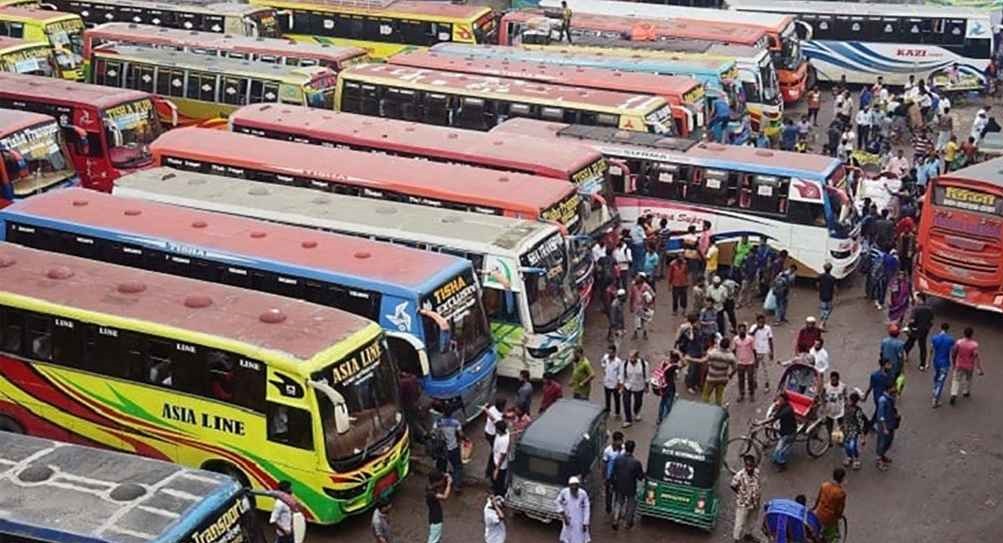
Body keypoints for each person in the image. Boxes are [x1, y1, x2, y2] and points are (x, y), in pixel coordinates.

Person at [611, 440, 644, 530]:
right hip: (630, 487)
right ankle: (627, 523)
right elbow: (640, 477)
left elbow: (613, 473)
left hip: (619, 485)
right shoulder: (636, 463)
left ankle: (615, 520)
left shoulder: (617, 459)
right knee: (630, 504)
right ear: (633, 449)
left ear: (625, 448)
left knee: (618, 502)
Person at [730, 454, 762, 543]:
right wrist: (741, 494)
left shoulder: (757, 472)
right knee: (739, 523)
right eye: (747, 465)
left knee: (752, 520)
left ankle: (748, 535)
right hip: (743, 503)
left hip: (755, 502)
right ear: (745, 465)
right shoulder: (739, 475)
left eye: (751, 465)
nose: (749, 468)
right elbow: (732, 485)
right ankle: (736, 539)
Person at [761, 393, 797, 471]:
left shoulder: (787, 410)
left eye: (780, 399)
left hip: (789, 433)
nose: (778, 401)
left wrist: (760, 422)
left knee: (779, 452)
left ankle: (783, 465)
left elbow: (774, 417)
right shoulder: (782, 406)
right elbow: (775, 415)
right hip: (783, 431)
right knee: (777, 452)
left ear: (784, 400)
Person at [949, 326, 984, 405]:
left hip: (959, 364)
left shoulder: (959, 342)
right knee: (968, 379)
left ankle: (953, 394)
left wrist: (954, 362)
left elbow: (954, 353)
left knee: (956, 380)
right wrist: (979, 368)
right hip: (969, 365)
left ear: (964, 333)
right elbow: (976, 356)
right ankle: (966, 391)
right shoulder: (974, 345)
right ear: (972, 334)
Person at [433, 409, 465, 493]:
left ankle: (440, 483)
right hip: (453, 448)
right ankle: (457, 486)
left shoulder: (438, 422)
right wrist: (464, 439)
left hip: (442, 449)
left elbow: (434, 433)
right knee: (457, 466)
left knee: (441, 466)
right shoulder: (455, 422)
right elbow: (461, 435)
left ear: (443, 413)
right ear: (451, 413)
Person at [813, 468, 847, 543]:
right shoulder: (840, 493)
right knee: (832, 536)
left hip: (820, 513)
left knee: (819, 531)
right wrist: (839, 516)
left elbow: (818, 499)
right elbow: (839, 509)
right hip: (830, 518)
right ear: (842, 479)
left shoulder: (824, 485)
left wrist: (814, 508)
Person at [678, 312, 709, 395]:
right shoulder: (688, 329)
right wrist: (691, 328)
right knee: (691, 370)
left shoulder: (698, 329)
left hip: (698, 351)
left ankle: (695, 383)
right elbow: (691, 338)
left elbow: (701, 339)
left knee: (697, 369)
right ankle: (689, 385)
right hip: (692, 351)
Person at [903, 293, 934, 371]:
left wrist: (908, 326)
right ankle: (922, 364)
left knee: (910, 342)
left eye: (917, 298)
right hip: (924, 330)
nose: (915, 300)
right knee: (922, 347)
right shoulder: (929, 309)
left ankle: (905, 354)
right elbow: (931, 320)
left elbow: (912, 320)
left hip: (915, 329)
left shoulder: (916, 309)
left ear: (920, 299)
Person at [703, 337, 738, 406]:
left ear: (720, 344)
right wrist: (730, 375)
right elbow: (735, 368)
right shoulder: (731, 356)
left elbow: (705, 361)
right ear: (728, 345)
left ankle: (705, 409)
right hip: (722, 379)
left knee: (706, 395)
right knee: (719, 397)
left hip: (711, 378)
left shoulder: (712, 353)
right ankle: (717, 412)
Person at [556, 476, 591, 543]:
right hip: (568, 519)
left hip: (580, 520)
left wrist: (585, 522)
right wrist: (563, 514)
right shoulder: (564, 492)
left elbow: (587, 508)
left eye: (576, 485)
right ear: (569, 486)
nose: (574, 487)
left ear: (578, 486)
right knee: (566, 537)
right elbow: (558, 501)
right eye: (572, 485)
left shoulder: (583, 494)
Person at [841, 391, 868, 470]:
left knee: (852, 446)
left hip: (854, 430)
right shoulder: (845, 406)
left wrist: (862, 437)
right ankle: (849, 457)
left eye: (850, 400)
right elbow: (844, 417)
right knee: (846, 445)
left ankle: (856, 459)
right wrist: (842, 425)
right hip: (846, 429)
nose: (849, 401)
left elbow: (861, 423)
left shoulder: (858, 410)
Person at [930, 323, 955, 408]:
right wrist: (954, 362)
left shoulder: (934, 338)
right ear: (948, 329)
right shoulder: (950, 340)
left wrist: (927, 362)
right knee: (941, 380)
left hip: (936, 361)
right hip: (945, 362)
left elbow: (931, 350)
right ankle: (935, 398)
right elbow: (953, 352)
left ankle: (934, 389)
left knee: (937, 376)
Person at [620, 351, 648, 428]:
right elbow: (622, 375)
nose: (631, 359)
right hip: (628, 385)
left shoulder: (643, 364)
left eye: (632, 357)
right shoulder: (625, 363)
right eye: (630, 357)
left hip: (639, 386)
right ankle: (628, 420)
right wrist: (621, 386)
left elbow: (646, 376)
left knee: (638, 401)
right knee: (626, 402)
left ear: (637, 357)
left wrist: (646, 386)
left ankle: (636, 412)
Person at [875, 386, 899, 471]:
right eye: (893, 388)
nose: (895, 390)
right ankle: (879, 460)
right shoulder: (883, 400)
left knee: (889, 441)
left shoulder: (891, 398)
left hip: (891, 423)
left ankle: (882, 455)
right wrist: (885, 428)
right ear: (888, 389)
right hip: (884, 425)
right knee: (882, 442)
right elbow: (881, 416)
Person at [654, 352, 682, 423]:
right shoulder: (674, 366)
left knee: (662, 402)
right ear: (676, 359)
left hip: (662, 386)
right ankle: (666, 419)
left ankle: (659, 418)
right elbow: (683, 364)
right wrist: (680, 356)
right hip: (670, 387)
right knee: (668, 403)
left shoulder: (664, 363)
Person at [601, 432, 625, 516]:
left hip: (620, 477)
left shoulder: (624, 450)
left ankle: (617, 509)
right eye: (620, 441)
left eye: (622, 440)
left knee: (619, 494)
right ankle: (608, 508)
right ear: (615, 441)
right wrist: (604, 477)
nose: (621, 442)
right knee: (609, 494)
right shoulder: (607, 451)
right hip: (610, 476)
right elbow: (604, 464)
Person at [399, 370, 425, 444]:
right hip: (415, 403)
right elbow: (418, 391)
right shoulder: (413, 378)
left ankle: (420, 436)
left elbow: (400, 396)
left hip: (407, 406)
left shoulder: (401, 384)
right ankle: (422, 435)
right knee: (416, 419)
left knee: (410, 423)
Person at [733, 323, 757, 402]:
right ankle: (741, 394)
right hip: (740, 362)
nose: (742, 332)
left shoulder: (750, 339)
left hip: (750, 362)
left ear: (745, 331)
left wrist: (755, 360)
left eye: (743, 330)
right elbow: (734, 350)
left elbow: (754, 350)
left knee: (750, 379)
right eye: (740, 330)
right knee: (741, 379)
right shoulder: (735, 339)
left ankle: (751, 394)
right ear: (738, 331)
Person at [483, 398, 506, 479]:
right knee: (494, 453)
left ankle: (488, 471)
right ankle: (489, 471)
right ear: (502, 406)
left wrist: (485, 409)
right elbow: (495, 418)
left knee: (493, 451)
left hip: (487, 431)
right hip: (492, 435)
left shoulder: (492, 408)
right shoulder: (498, 419)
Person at [751, 314, 775, 392]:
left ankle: (767, 384)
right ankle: (754, 382)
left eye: (763, 322)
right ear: (757, 322)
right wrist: (756, 329)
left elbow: (770, 340)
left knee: (766, 369)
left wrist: (772, 352)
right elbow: (749, 336)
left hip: (765, 351)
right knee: (755, 368)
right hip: (755, 351)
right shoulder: (753, 327)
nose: (761, 323)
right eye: (760, 322)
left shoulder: (768, 328)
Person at [629, 274, 655, 340]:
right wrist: (631, 306)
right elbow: (631, 297)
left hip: (644, 307)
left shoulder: (646, 286)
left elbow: (653, 295)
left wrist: (650, 302)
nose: (638, 285)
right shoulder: (633, 286)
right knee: (636, 320)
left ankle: (645, 333)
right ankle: (635, 333)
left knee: (645, 320)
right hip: (637, 306)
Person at [822, 371, 847, 439]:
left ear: (838, 379)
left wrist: (846, 406)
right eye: (832, 380)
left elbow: (845, 396)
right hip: (829, 410)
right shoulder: (826, 386)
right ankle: (830, 439)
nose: (833, 381)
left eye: (835, 380)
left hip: (840, 409)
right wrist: (823, 406)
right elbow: (823, 397)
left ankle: (842, 438)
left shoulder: (843, 386)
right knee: (829, 426)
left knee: (841, 425)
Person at [601, 344, 623, 419]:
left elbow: (621, 373)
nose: (610, 354)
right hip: (607, 382)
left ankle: (617, 413)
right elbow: (603, 364)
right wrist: (604, 370)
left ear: (614, 352)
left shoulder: (618, 362)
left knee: (617, 399)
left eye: (611, 352)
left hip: (615, 384)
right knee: (607, 398)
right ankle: (607, 411)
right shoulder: (605, 357)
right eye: (609, 352)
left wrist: (619, 384)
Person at [491, 420, 510, 497]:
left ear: (499, 430)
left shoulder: (504, 440)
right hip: (495, 459)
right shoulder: (503, 433)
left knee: (499, 481)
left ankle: (499, 495)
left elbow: (503, 455)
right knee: (495, 479)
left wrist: (497, 469)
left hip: (501, 465)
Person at [816, 263, 836, 330]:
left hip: (822, 296)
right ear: (831, 269)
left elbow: (817, 285)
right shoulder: (833, 278)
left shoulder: (820, 276)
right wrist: (836, 294)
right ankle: (822, 322)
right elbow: (834, 288)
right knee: (828, 310)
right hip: (829, 297)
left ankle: (822, 322)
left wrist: (820, 290)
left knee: (822, 309)